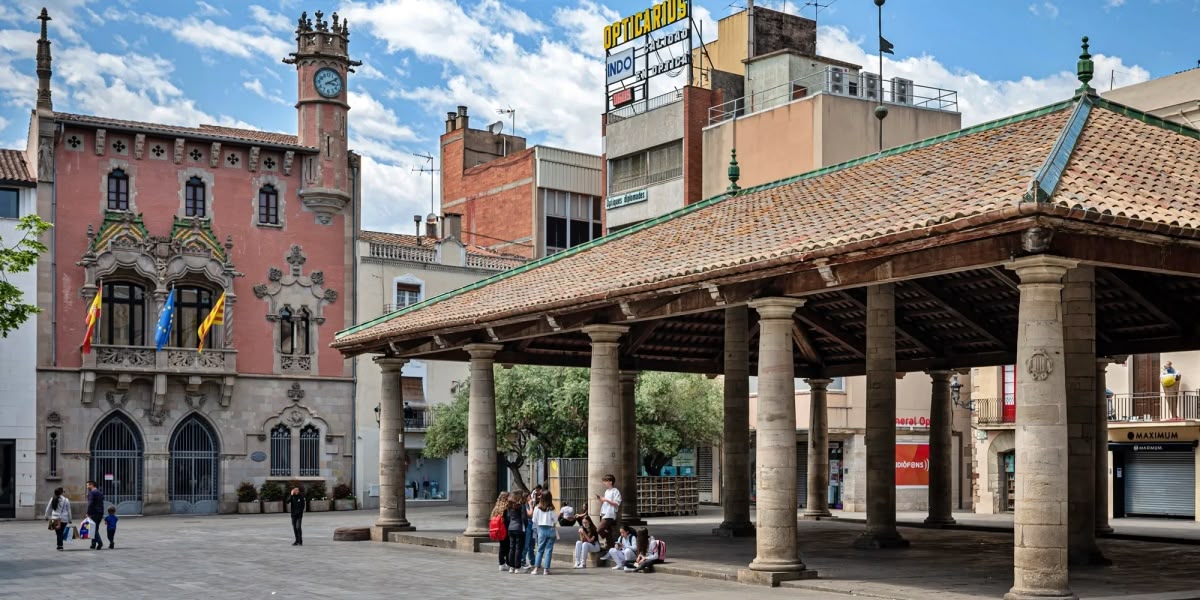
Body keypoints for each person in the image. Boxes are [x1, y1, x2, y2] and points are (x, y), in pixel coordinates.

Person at [529, 489, 559, 575]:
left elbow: (534, 520)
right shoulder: (552, 508)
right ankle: (546, 569)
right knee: (549, 550)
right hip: (551, 530)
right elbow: (555, 520)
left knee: (540, 550)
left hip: (541, 529)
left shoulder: (537, 508)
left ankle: (536, 569)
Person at [594, 473, 621, 550]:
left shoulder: (615, 491)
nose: (604, 483)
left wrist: (605, 499)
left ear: (610, 481)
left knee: (599, 529)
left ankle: (611, 545)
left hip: (610, 514)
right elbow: (606, 503)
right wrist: (602, 500)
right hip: (604, 513)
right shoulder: (606, 491)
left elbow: (617, 503)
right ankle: (610, 547)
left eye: (605, 481)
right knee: (608, 532)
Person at [505, 491, 529, 573]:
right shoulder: (521, 505)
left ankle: (511, 566)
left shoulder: (510, 505)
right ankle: (517, 567)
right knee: (518, 548)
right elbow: (524, 518)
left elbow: (508, 517)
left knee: (512, 548)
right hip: (519, 528)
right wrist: (525, 526)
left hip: (511, 528)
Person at [522, 484, 543, 571]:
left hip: (532, 525)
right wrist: (531, 505)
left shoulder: (530, 503)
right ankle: (522, 561)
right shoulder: (524, 505)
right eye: (529, 496)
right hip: (527, 525)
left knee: (532, 545)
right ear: (525, 497)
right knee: (526, 545)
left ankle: (533, 561)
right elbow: (530, 514)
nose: (530, 497)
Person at [43, 487, 71, 551]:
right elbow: (69, 510)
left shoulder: (52, 498)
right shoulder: (66, 500)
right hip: (64, 518)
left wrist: (46, 516)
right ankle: (60, 545)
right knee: (61, 532)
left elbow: (48, 508)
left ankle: (59, 545)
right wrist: (70, 519)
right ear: (62, 492)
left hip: (55, 518)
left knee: (58, 533)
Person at [491, 491, 511, 572]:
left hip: (499, 530)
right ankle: (507, 563)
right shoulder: (507, 507)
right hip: (506, 529)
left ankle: (501, 564)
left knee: (502, 547)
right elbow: (508, 519)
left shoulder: (497, 507)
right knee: (508, 547)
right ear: (506, 498)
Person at [85, 480, 105, 550]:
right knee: (95, 528)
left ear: (92, 485)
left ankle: (100, 543)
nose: (87, 486)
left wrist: (88, 513)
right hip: (100, 512)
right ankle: (93, 544)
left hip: (94, 513)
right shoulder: (100, 492)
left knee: (92, 529)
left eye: (88, 485)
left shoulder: (92, 493)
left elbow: (90, 504)